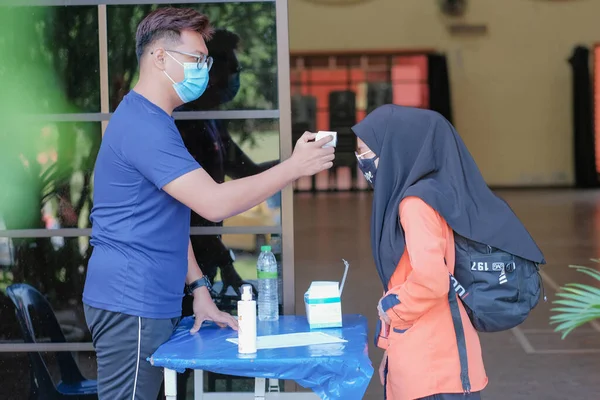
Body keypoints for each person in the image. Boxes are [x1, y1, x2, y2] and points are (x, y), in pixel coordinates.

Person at [82, 7, 334, 400]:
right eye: (197, 60)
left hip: (147, 301)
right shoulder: (143, 126)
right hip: (130, 302)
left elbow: (169, 217)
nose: (204, 69)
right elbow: (213, 204)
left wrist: (199, 286)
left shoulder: (156, 120)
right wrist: (293, 168)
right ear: (159, 57)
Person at [351, 104, 544, 400]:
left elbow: (432, 280)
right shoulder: (435, 196)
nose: (362, 161)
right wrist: (390, 352)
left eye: (367, 152)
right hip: (429, 361)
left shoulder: (415, 205)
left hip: (435, 370)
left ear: (396, 150)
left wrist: (390, 309)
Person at [176, 28, 276, 298]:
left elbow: (248, 172)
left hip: (209, 254)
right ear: (212, 74)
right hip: (186, 264)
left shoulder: (212, 121)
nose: (235, 78)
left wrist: (294, 164)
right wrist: (226, 262)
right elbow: (194, 209)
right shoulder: (185, 124)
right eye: (232, 69)